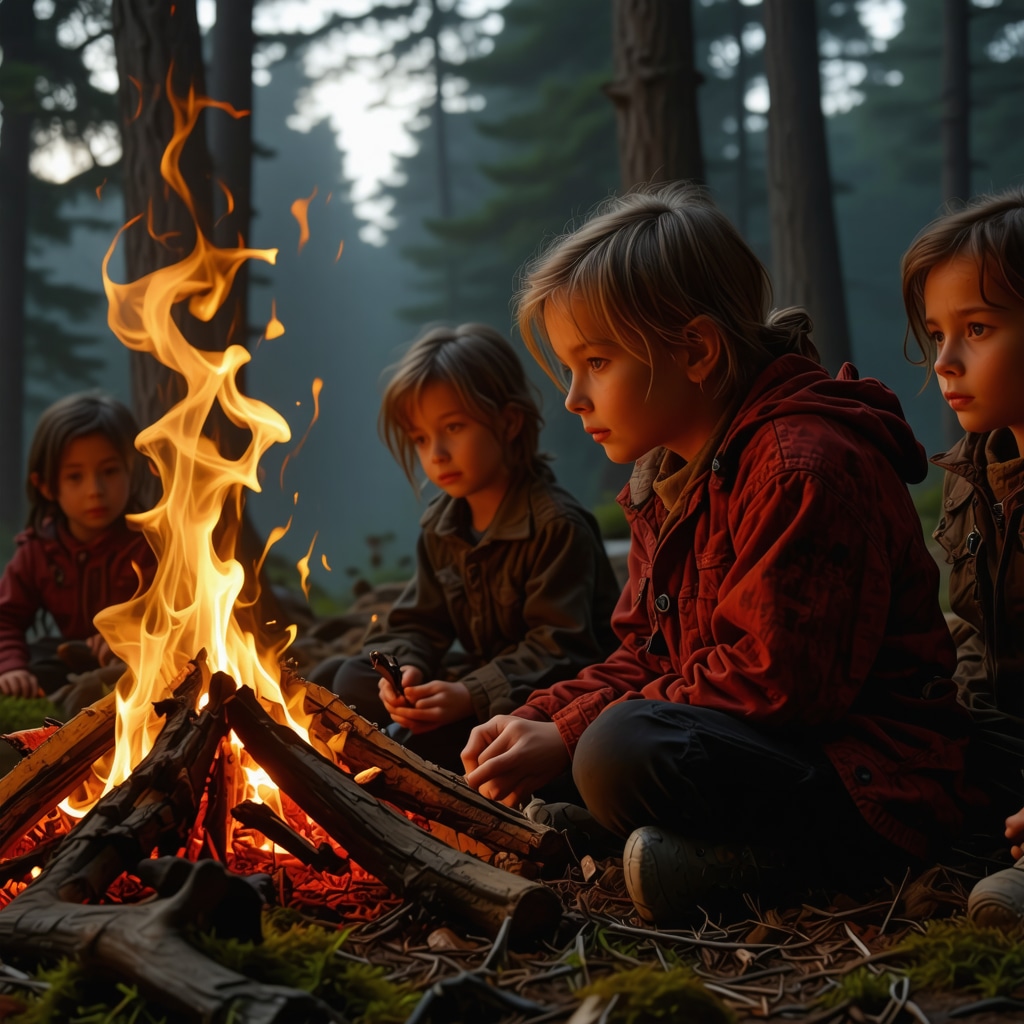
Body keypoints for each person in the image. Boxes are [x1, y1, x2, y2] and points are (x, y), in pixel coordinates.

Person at [462, 182, 978, 926]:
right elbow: (647, 652)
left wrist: (573, 735)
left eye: (596, 362)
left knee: (617, 748)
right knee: (590, 745)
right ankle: (648, 834)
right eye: (569, 370)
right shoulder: (670, 479)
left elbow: (781, 685)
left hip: (874, 780)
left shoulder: (801, 465)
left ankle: (764, 863)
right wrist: (538, 718)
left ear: (697, 351)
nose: (573, 398)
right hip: (765, 748)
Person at [330, 323, 621, 772]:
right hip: (477, 687)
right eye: (421, 439)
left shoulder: (557, 525)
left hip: (546, 702)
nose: (437, 453)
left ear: (508, 422)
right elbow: (418, 625)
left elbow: (560, 651)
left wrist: (469, 695)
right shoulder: (443, 526)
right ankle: (405, 744)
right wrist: (402, 673)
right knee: (349, 678)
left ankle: (419, 757)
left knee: (466, 739)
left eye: (453, 427)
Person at [901, 187, 1024, 928]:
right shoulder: (973, 474)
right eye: (936, 334)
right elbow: (974, 635)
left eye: (975, 328)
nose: (944, 361)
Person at [0, 391, 155, 699]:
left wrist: (126, 635)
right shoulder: (38, 551)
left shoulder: (150, 544)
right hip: (64, 659)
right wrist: (11, 668)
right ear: (45, 485)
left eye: (109, 471)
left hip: (134, 665)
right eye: (75, 477)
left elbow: (179, 613)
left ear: (131, 471)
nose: (95, 490)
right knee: (37, 669)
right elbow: (6, 618)